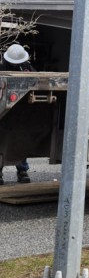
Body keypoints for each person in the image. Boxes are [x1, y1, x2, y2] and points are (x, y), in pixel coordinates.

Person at [0, 44, 34, 185]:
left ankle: (22, 170)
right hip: (4, 111)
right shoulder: (2, 68)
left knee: (21, 141)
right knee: (1, 141)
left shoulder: (26, 66)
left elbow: (36, 79)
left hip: (21, 111)